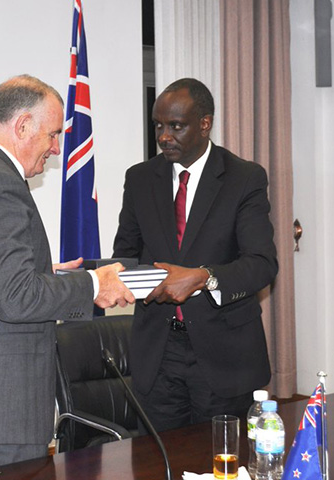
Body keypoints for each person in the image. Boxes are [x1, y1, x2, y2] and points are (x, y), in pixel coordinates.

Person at [0, 75, 134, 472]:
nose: (55, 148)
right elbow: (15, 297)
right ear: (21, 126)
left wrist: (42, 270)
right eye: (52, 135)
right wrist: (92, 285)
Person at [112, 78, 278, 432]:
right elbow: (125, 256)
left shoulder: (244, 178)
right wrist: (142, 282)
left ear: (205, 123)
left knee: (222, 469)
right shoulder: (140, 179)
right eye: (158, 125)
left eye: (176, 126)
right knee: (159, 473)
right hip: (158, 351)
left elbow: (262, 264)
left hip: (224, 354)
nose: (164, 136)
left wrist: (204, 277)